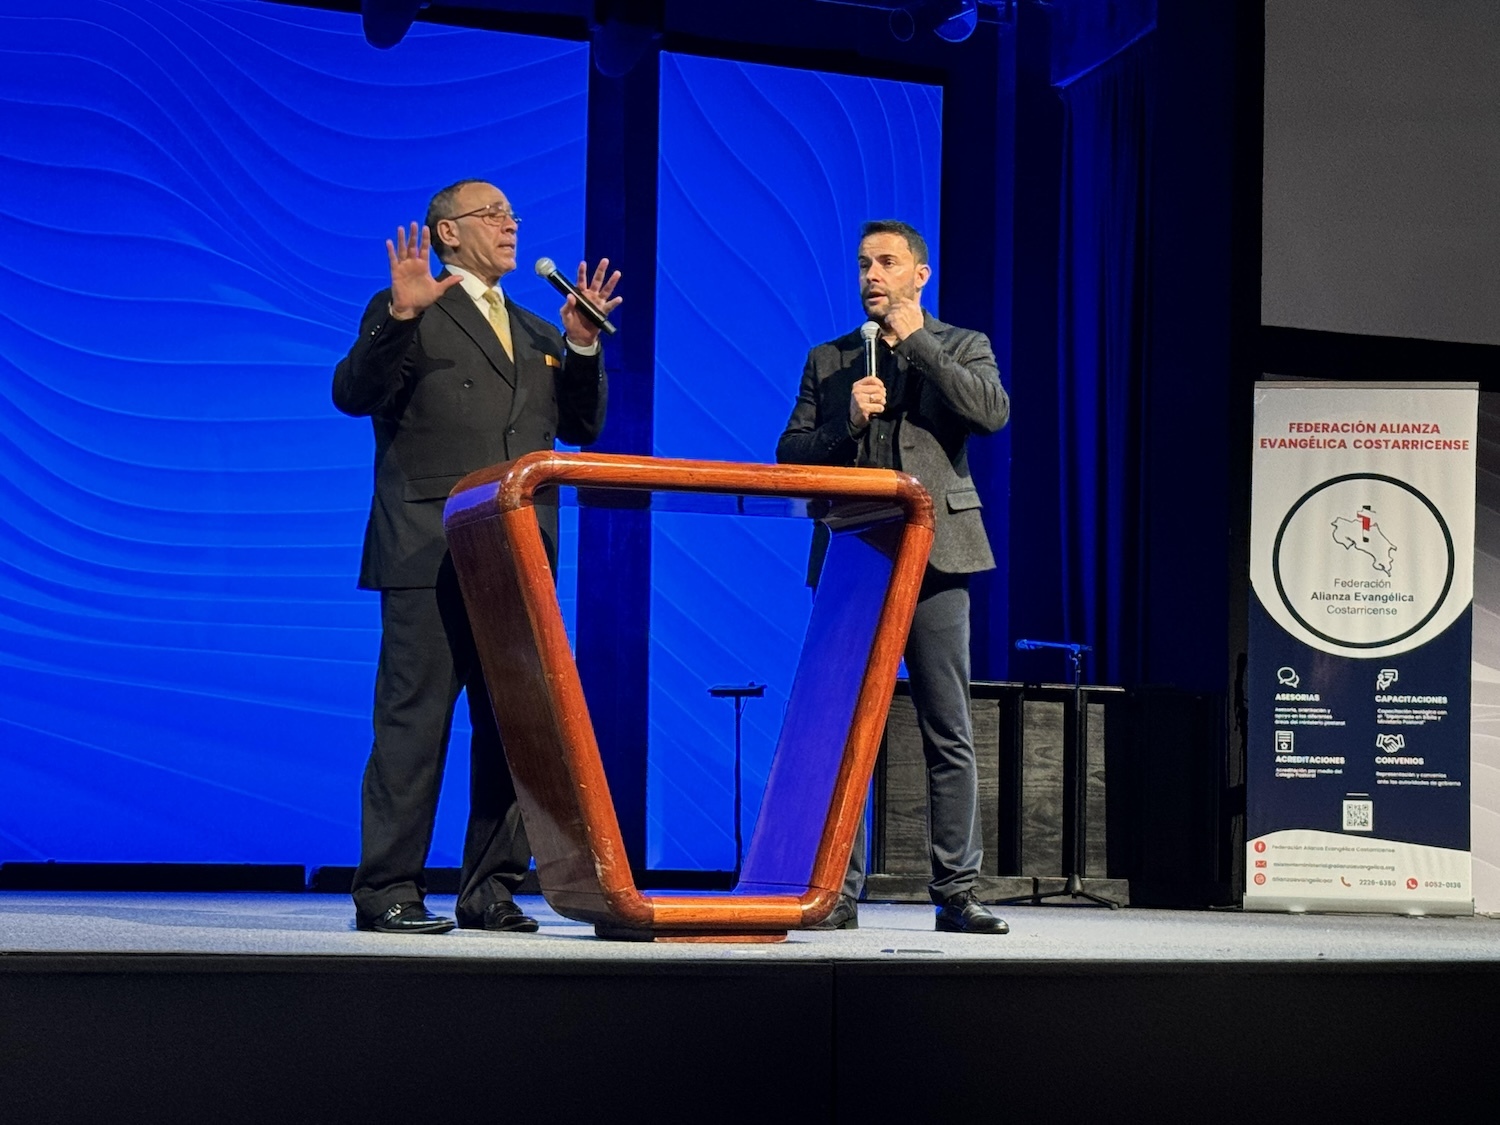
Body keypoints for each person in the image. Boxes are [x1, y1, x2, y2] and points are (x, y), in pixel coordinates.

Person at [333, 179, 621, 934]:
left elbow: (582, 427)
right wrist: (398, 314)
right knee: (414, 723)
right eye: (491, 214)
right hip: (428, 546)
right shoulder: (411, 309)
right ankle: (389, 889)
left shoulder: (534, 330)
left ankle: (490, 887)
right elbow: (352, 391)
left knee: (513, 728)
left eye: (513, 215)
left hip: (516, 554)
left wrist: (582, 345)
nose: (510, 225)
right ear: (447, 233)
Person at [777, 219, 1009, 935]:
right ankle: (835, 891)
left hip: (938, 557)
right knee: (846, 730)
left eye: (886, 262)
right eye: (862, 264)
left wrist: (921, 345)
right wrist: (845, 419)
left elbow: (990, 414)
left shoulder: (963, 344)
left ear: (920, 275)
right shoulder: (831, 357)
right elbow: (789, 457)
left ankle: (957, 891)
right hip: (856, 556)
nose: (871, 274)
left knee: (949, 727)